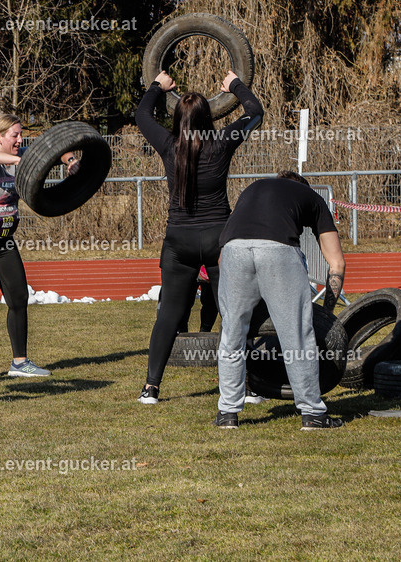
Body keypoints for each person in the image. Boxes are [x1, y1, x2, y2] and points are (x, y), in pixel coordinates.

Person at [136, 70, 263, 403]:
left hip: (179, 242)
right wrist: (234, 85)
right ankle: (245, 385)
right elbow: (255, 113)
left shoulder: (167, 144)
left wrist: (157, 87)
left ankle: (151, 388)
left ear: (177, 118)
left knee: (169, 314)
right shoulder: (222, 142)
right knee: (233, 313)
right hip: (221, 241)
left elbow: (141, 115)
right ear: (210, 117)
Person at [213, 170, 346, 430]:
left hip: (232, 251)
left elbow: (221, 257)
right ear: (305, 189)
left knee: (231, 334)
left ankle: (227, 413)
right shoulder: (313, 197)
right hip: (279, 249)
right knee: (296, 335)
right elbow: (337, 262)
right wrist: (325, 317)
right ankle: (313, 414)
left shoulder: (253, 188)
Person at [0, 114, 78, 383]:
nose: (20, 140)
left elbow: (52, 147)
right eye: (14, 135)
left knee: (19, 298)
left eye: (21, 135)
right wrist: (19, 160)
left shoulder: (22, 153)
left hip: (4, 241)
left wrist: (70, 161)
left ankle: (20, 362)